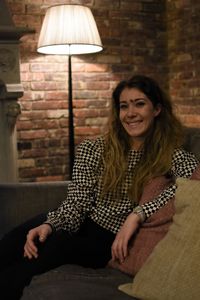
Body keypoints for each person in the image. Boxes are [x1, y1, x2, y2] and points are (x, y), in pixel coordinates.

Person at [0, 75, 199, 299]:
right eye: (124, 106)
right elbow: (77, 203)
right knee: (32, 231)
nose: (130, 113)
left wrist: (138, 214)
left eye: (139, 104)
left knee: (52, 249)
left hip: (108, 243)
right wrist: (50, 224)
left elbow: (192, 188)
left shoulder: (172, 156)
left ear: (157, 109)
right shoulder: (93, 149)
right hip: (82, 224)